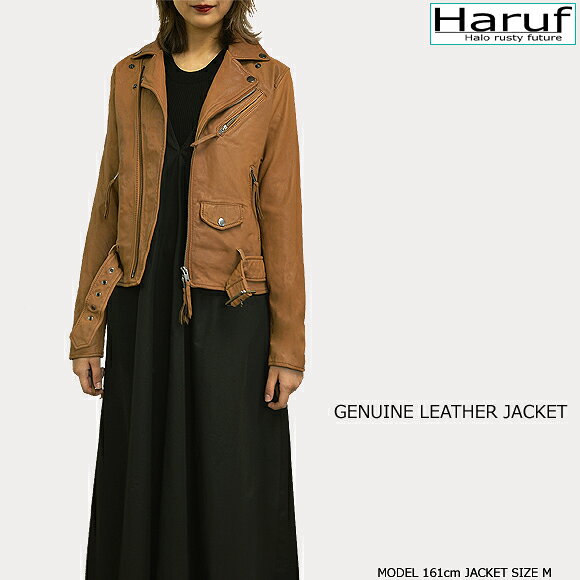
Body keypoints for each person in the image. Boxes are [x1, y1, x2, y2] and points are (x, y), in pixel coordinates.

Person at [68, 1, 305, 577]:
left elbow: (282, 213)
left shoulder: (269, 80)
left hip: (232, 306)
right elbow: (107, 205)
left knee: (232, 476)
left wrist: (288, 349)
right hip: (141, 302)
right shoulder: (130, 75)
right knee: (141, 470)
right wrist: (87, 332)